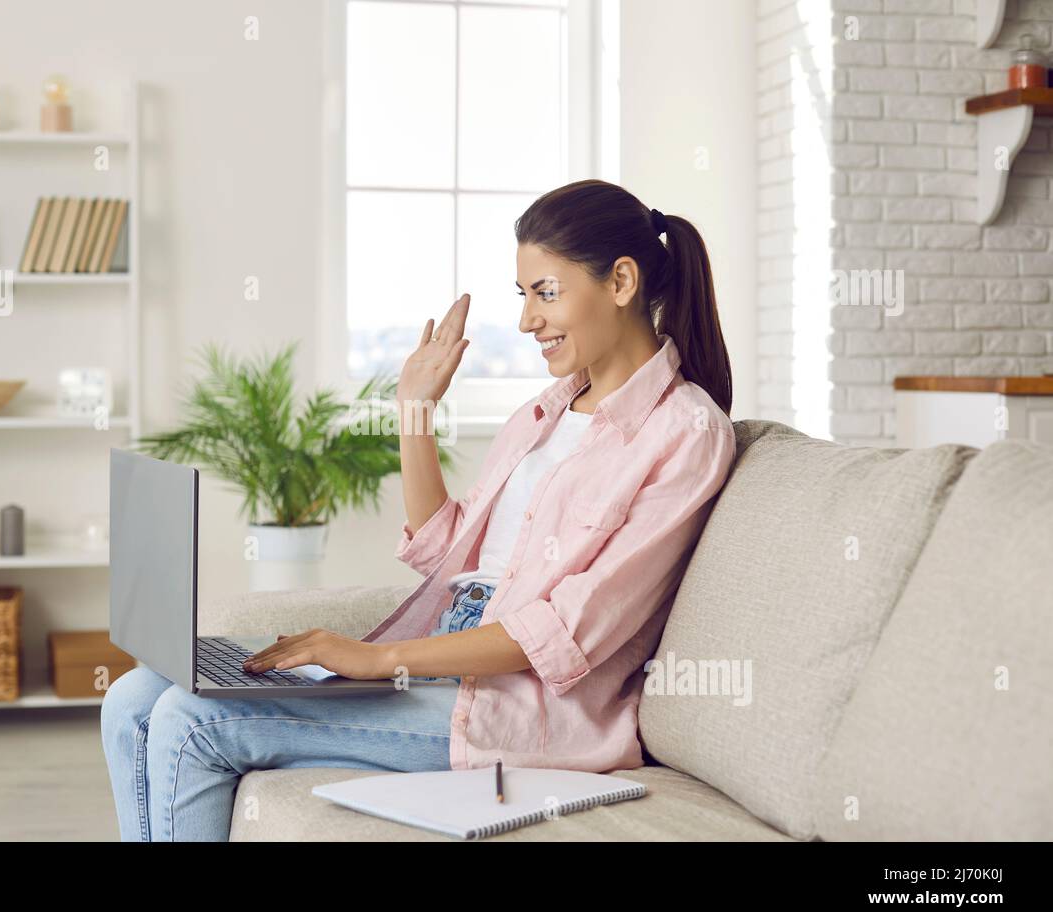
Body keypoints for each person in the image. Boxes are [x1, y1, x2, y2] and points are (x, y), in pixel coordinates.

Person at [101, 179, 737, 841]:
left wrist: (379, 659)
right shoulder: (543, 414)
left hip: (520, 710)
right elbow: (448, 550)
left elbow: (570, 632)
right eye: (523, 297)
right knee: (131, 701)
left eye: (546, 293)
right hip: (450, 655)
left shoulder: (687, 435)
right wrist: (415, 410)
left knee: (191, 720)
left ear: (622, 281)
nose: (526, 321)